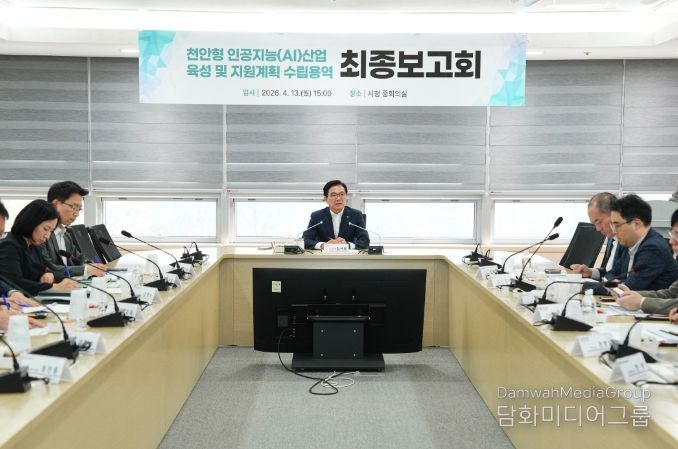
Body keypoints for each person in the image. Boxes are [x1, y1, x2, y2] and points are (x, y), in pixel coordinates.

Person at [598, 194, 678, 294]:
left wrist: (586, 287)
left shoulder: (653, 248)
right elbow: (612, 274)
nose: (614, 231)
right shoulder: (630, 243)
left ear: (636, 224)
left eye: (617, 225)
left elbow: (629, 288)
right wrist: (616, 282)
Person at [0, 200, 77, 295]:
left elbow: (51, 269)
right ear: (31, 223)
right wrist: (54, 287)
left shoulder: (34, 245)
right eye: (46, 229)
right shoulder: (9, 246)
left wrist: (50, 275)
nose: (47, 236)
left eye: (51, 231)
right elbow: (15, 283)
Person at [615, 208, 678, 314]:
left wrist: (642, 302)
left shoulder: (653, 246)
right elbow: (671, 294)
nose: (671, 241)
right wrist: (633, 294)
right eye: (673, 233)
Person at [40, 181, 105, 279]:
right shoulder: (41, 235)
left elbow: (79, 259)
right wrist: (85, 270)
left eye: (79, 209)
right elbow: (48, 268)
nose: (77, 214)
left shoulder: (65, 235)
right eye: (74, 207)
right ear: (55, 204)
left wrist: (91, 265)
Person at [570, 192, 628, 281]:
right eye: (594, 223)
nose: (598, 229)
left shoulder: (628, 240)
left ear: (613, 214)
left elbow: (621, 278)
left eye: (598, 221)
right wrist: (590, 272)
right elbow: (609, 271)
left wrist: (595, 286)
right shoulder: (611, 238)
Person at [302, 180, 370, 250]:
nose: (338, 198)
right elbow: (305, 240)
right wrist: (323, 245)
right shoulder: (317, 216)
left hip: (348, 255)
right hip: (324, 255)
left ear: (346, 196)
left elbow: (365, 240)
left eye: (342, 194)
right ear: (326, 199)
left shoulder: (356, 215)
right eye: (334, 195)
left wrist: (347, 245)